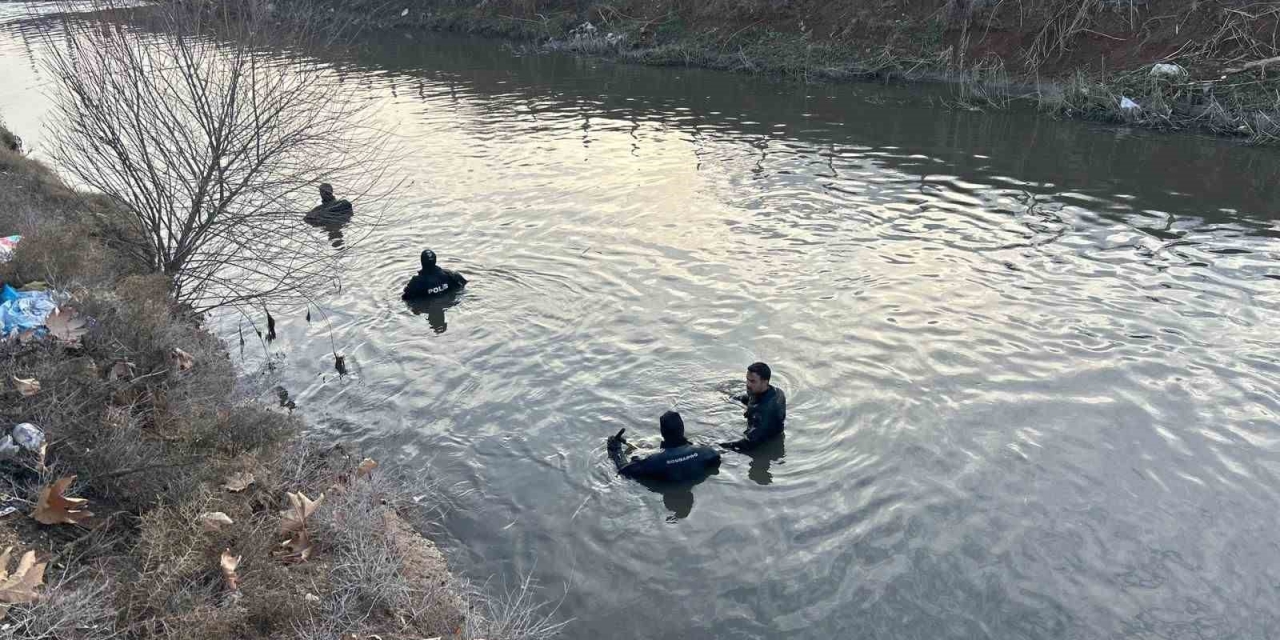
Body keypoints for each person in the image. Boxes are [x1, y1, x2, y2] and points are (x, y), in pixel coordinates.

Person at [607, 411, 720, 482]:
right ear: (682, 429)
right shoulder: (707, 452)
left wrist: (615, 449)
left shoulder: (653, 462)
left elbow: (624, 471)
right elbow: (717, 457)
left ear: (662, 433)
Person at [721, 362, 786, 452]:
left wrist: (718, 446)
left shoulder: (765, 412)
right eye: (747, 380)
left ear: (765, 382)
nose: (748, 384)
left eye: (752, 381)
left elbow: (748, 443)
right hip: (764, 425)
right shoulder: (776, 392)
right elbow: (751, 399)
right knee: (728, 396)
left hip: (764, 443)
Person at [402, 249, 468, 300]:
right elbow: (464, 285)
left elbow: (405, 298)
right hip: (448, 304)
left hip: (427, 307)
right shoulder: (449, 275)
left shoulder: (416, 282)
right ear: (435, 260)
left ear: (422, 262)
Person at [304, 183, 354, 247]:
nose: (324, 193)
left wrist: (321, 213)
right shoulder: (318, 209)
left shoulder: (342, 203)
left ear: (331, 191)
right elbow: (307, 218)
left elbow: (347, 206)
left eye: (326, 191)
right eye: (322, 191)